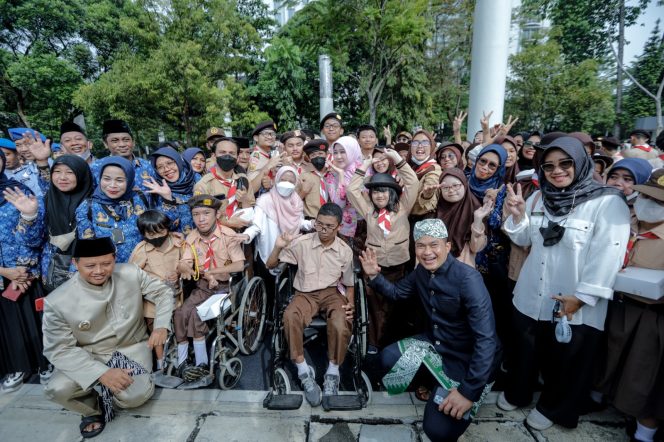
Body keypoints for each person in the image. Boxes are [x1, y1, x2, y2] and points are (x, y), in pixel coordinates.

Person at [499, 136, 630, 431]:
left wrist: (582, 297)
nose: (557, 171)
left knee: (568, 360)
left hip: (574, 301)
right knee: (525, 351)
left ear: (580, 163)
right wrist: (518, 216)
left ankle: (553, 407)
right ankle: (519, 392)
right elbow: (524, 240)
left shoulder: (607, 202)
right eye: (549, 166)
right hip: (532, 293)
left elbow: (608, 255)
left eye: (565, 163)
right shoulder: (538, 197)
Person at [359, 219, 499, 442]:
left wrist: (468, 392)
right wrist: (374, 276)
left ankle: (469, 388)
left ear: (447, 246)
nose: (427, 252)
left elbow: (487, 341)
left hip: (466, 359)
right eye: (421, 246)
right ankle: (433, 382)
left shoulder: (468, 279)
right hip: (436, 343)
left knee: (437, 431)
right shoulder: (422, 272)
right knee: (388, 358)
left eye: (434, 245)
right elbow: (396, 293)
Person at [42, 237, 174, 439]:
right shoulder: (57, 301)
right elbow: (59, 349)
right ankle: (93, 410)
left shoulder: (130, 273)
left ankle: (108, 392)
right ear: (75, 263)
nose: (99, 270)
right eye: (90, 265)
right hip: (90, 354)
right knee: (58, 389)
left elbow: (163, 292)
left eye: (106, 263)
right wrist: (100, 373)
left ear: (115, 258)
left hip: (132, 348)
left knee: (135, 396)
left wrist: (161, 325)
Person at [596, 169, 664, 442]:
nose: (652, 204)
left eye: (661, 202)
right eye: (648, 196)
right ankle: (599, 397)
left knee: (642, 372)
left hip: (652, 313)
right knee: (607, 357)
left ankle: (644, 433)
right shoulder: (627, 218)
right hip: (617, 303)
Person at [265, 203, 355, 406]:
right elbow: (270, 266)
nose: (322, 229)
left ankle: (333, 372)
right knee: (289, 316)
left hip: (332, 293)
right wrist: (278, 245)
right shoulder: (302, 242)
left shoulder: (344, 250)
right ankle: (303, 370)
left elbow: (349, 284)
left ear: (339, 227)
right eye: (319, 224)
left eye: (329, 226)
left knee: (342, 322)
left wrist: (351, 304)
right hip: (304, 293)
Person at [347, 149, 418, 352]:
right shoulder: (368, 210)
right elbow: (352, 190)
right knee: (376, 308)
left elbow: (413, 183)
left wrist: (397, 159)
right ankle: (374, 343)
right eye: (376, 191)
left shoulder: (403, 206)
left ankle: (394, 344)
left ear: (392, 193)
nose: (379, 195)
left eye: (384, 191)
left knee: (396, 307)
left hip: (399, 266)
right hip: (375, 266)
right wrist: (364, 164)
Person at [175, 195, 246, 383]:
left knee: (199, 315)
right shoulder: (191, 238)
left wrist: (214, 271)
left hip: (225, 289)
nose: (201, 219)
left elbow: (239, 265)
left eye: (206, 213)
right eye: (196, 214)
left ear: (217, 214)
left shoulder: (228, 235)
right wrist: (184, 266)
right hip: (203, 287)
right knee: (181, 314)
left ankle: (202, 364)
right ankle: (182, 363)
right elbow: (186, 262)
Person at [0, 148, 48, 392]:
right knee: (8, 328)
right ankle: (16, 366)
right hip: (2, 275)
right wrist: (3, 271)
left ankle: (45, 365)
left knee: (35, 322)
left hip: (25, 273)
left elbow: (35, 233)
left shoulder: (18, 190)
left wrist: (21, 267)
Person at [76, 156, 177, 263]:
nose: (112, 185)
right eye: (106, 179)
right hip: (111, 271)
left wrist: (167, 198)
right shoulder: (87, 208)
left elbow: (168, 225)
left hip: (147, 267)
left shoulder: (142, 198)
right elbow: (87, 248)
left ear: (129, 180)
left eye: (119, 180)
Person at [129, 210, 184, 371]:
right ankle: (160, 364)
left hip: (176, 296)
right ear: (143, 234)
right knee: (156, 331)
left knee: (178, 326)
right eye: (150, 235)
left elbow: (187, 262)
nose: (156, 238)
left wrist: (178, 273)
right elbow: (132, 274)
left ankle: (181, 359)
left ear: (168, 229)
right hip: (152, 302)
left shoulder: (178, 244)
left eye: (160, 232)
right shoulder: (141, 250)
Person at [42, 155, 94, 292]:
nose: (62, 177)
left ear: (81, 174)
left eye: (70, 172)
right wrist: (28, 215)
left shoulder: (95, 203)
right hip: (54, 273)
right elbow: (34, 240)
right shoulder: (47, 200)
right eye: (57, 171)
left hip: (90, 273)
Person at [241, 167, 312, 266]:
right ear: (276, 180)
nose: (286, 183)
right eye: (283, 180)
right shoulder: (265, 200)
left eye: (291, 181)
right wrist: (247, 235)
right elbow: (257, 225)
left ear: (295, 184)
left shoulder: (296, 202)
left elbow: (298, 223)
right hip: (268, 249)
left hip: (290, 251)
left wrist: (312, 224)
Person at [193, 137, 255, 230]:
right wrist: (228, 223)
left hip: (241, 236)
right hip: (216, 237)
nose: (227, 156)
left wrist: (244, 199)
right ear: (214, 156)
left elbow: (251, 210)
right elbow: (201, 218)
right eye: (222, 152)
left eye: (232, 153)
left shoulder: (243, 180)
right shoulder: (204, 185)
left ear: (237, 157)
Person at [436, 168, 490, 268]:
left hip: (462, 268)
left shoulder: (476, 209)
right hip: (436, 267)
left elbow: (476, 248)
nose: (451, 190)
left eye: (455, 185)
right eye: (445, 187)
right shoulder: (436, 209)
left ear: (464, 185)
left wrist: (477, 221)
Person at [324, 136, 365, 255]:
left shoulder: (363, 170)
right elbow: (339, 204)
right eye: (335, 152)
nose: (338, 156)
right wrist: (341, 176)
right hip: (343, 226)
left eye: (343, 152)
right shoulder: (332, 174)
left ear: (352, 151)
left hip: (364, 224)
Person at [90, 119, 156, 192]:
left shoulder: (146, 166)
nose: (122, 145)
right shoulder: (96, 168)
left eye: (126, 140)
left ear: (133, 142)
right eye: (115, 141)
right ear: (106, 144)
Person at [150, 146, 197, 234]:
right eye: (160, 167)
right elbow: (164, 227)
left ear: (178, 161)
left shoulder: (196, 179)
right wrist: (167, 199)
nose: (166, 169)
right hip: (176, 243)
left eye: (170, 163)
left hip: (201, 240)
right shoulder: (158, 190)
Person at [6, 128, 49, 197]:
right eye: (18, 145)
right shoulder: (21, 173)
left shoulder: (56, 165)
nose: (24, 149)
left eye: (28, 143)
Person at [299, 139, 330, 219]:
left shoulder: (332, 175)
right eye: (313, 155)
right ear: (309, 159)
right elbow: (295, 200)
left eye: (320, 153)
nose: (317, 157)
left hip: (331, 218)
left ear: (326, 154)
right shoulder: (303, 177)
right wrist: (303, 192)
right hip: (311, 219)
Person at [248, 120, 280, 194]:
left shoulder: (266, 155)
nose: (270, 137)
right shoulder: (256, 157)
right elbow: (251, 188)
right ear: (256, 138)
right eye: (265, 134)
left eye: (273, 134)